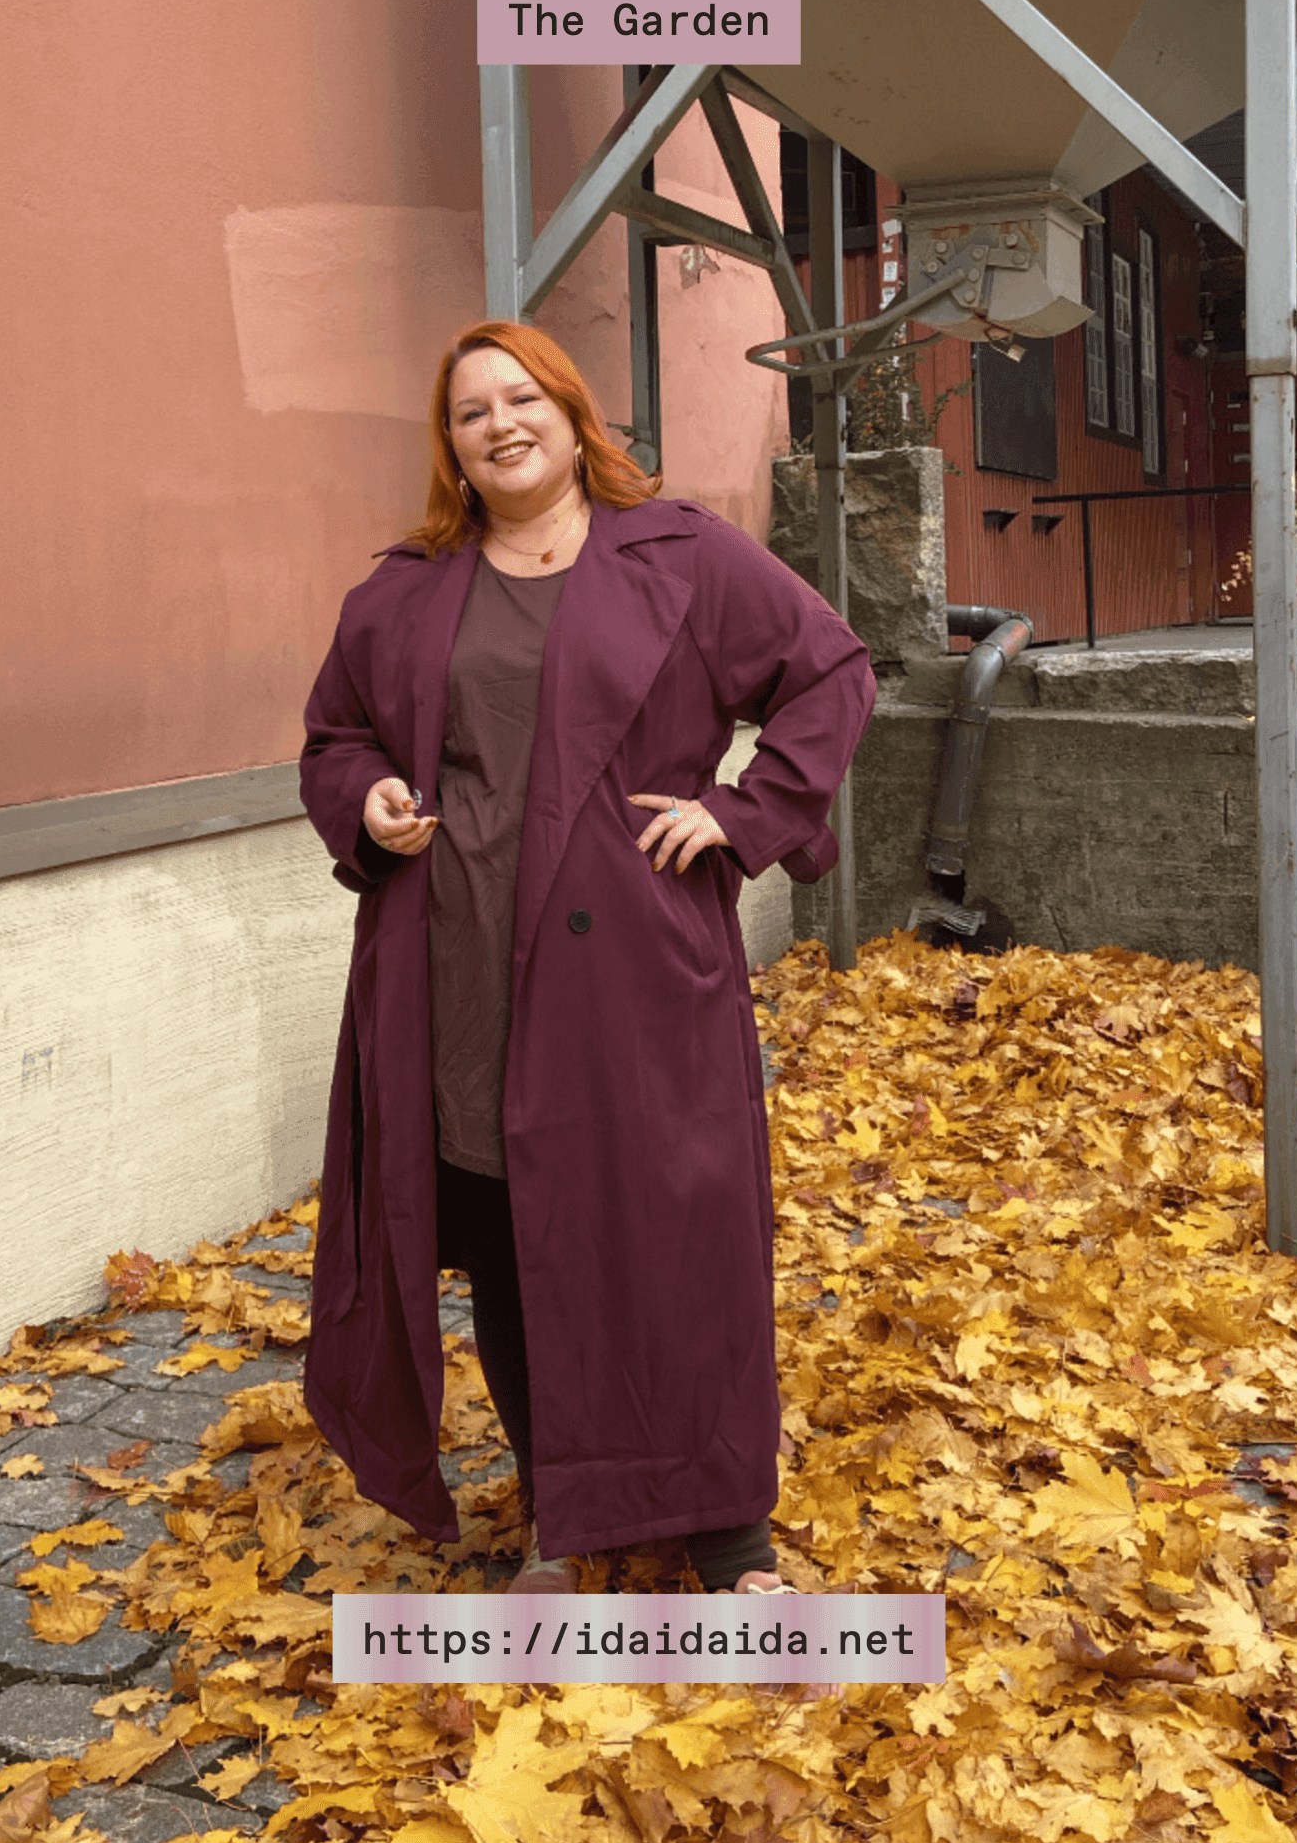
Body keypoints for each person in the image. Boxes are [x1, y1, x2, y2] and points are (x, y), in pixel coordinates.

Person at [299, 319, 875, 1594]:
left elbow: (830, 670)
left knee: (680, 1228)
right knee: (518, 1235)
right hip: (458, 965)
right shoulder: (406, 588)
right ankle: (567, 1518)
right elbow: (336, 736)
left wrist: (742, 812)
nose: (499, 425)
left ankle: (730, 1538)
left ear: (572, 415)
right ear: (450, 445)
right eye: (470, 413)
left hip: (638, 964)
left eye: (522, 399)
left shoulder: (683, 553)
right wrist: (369, 799)